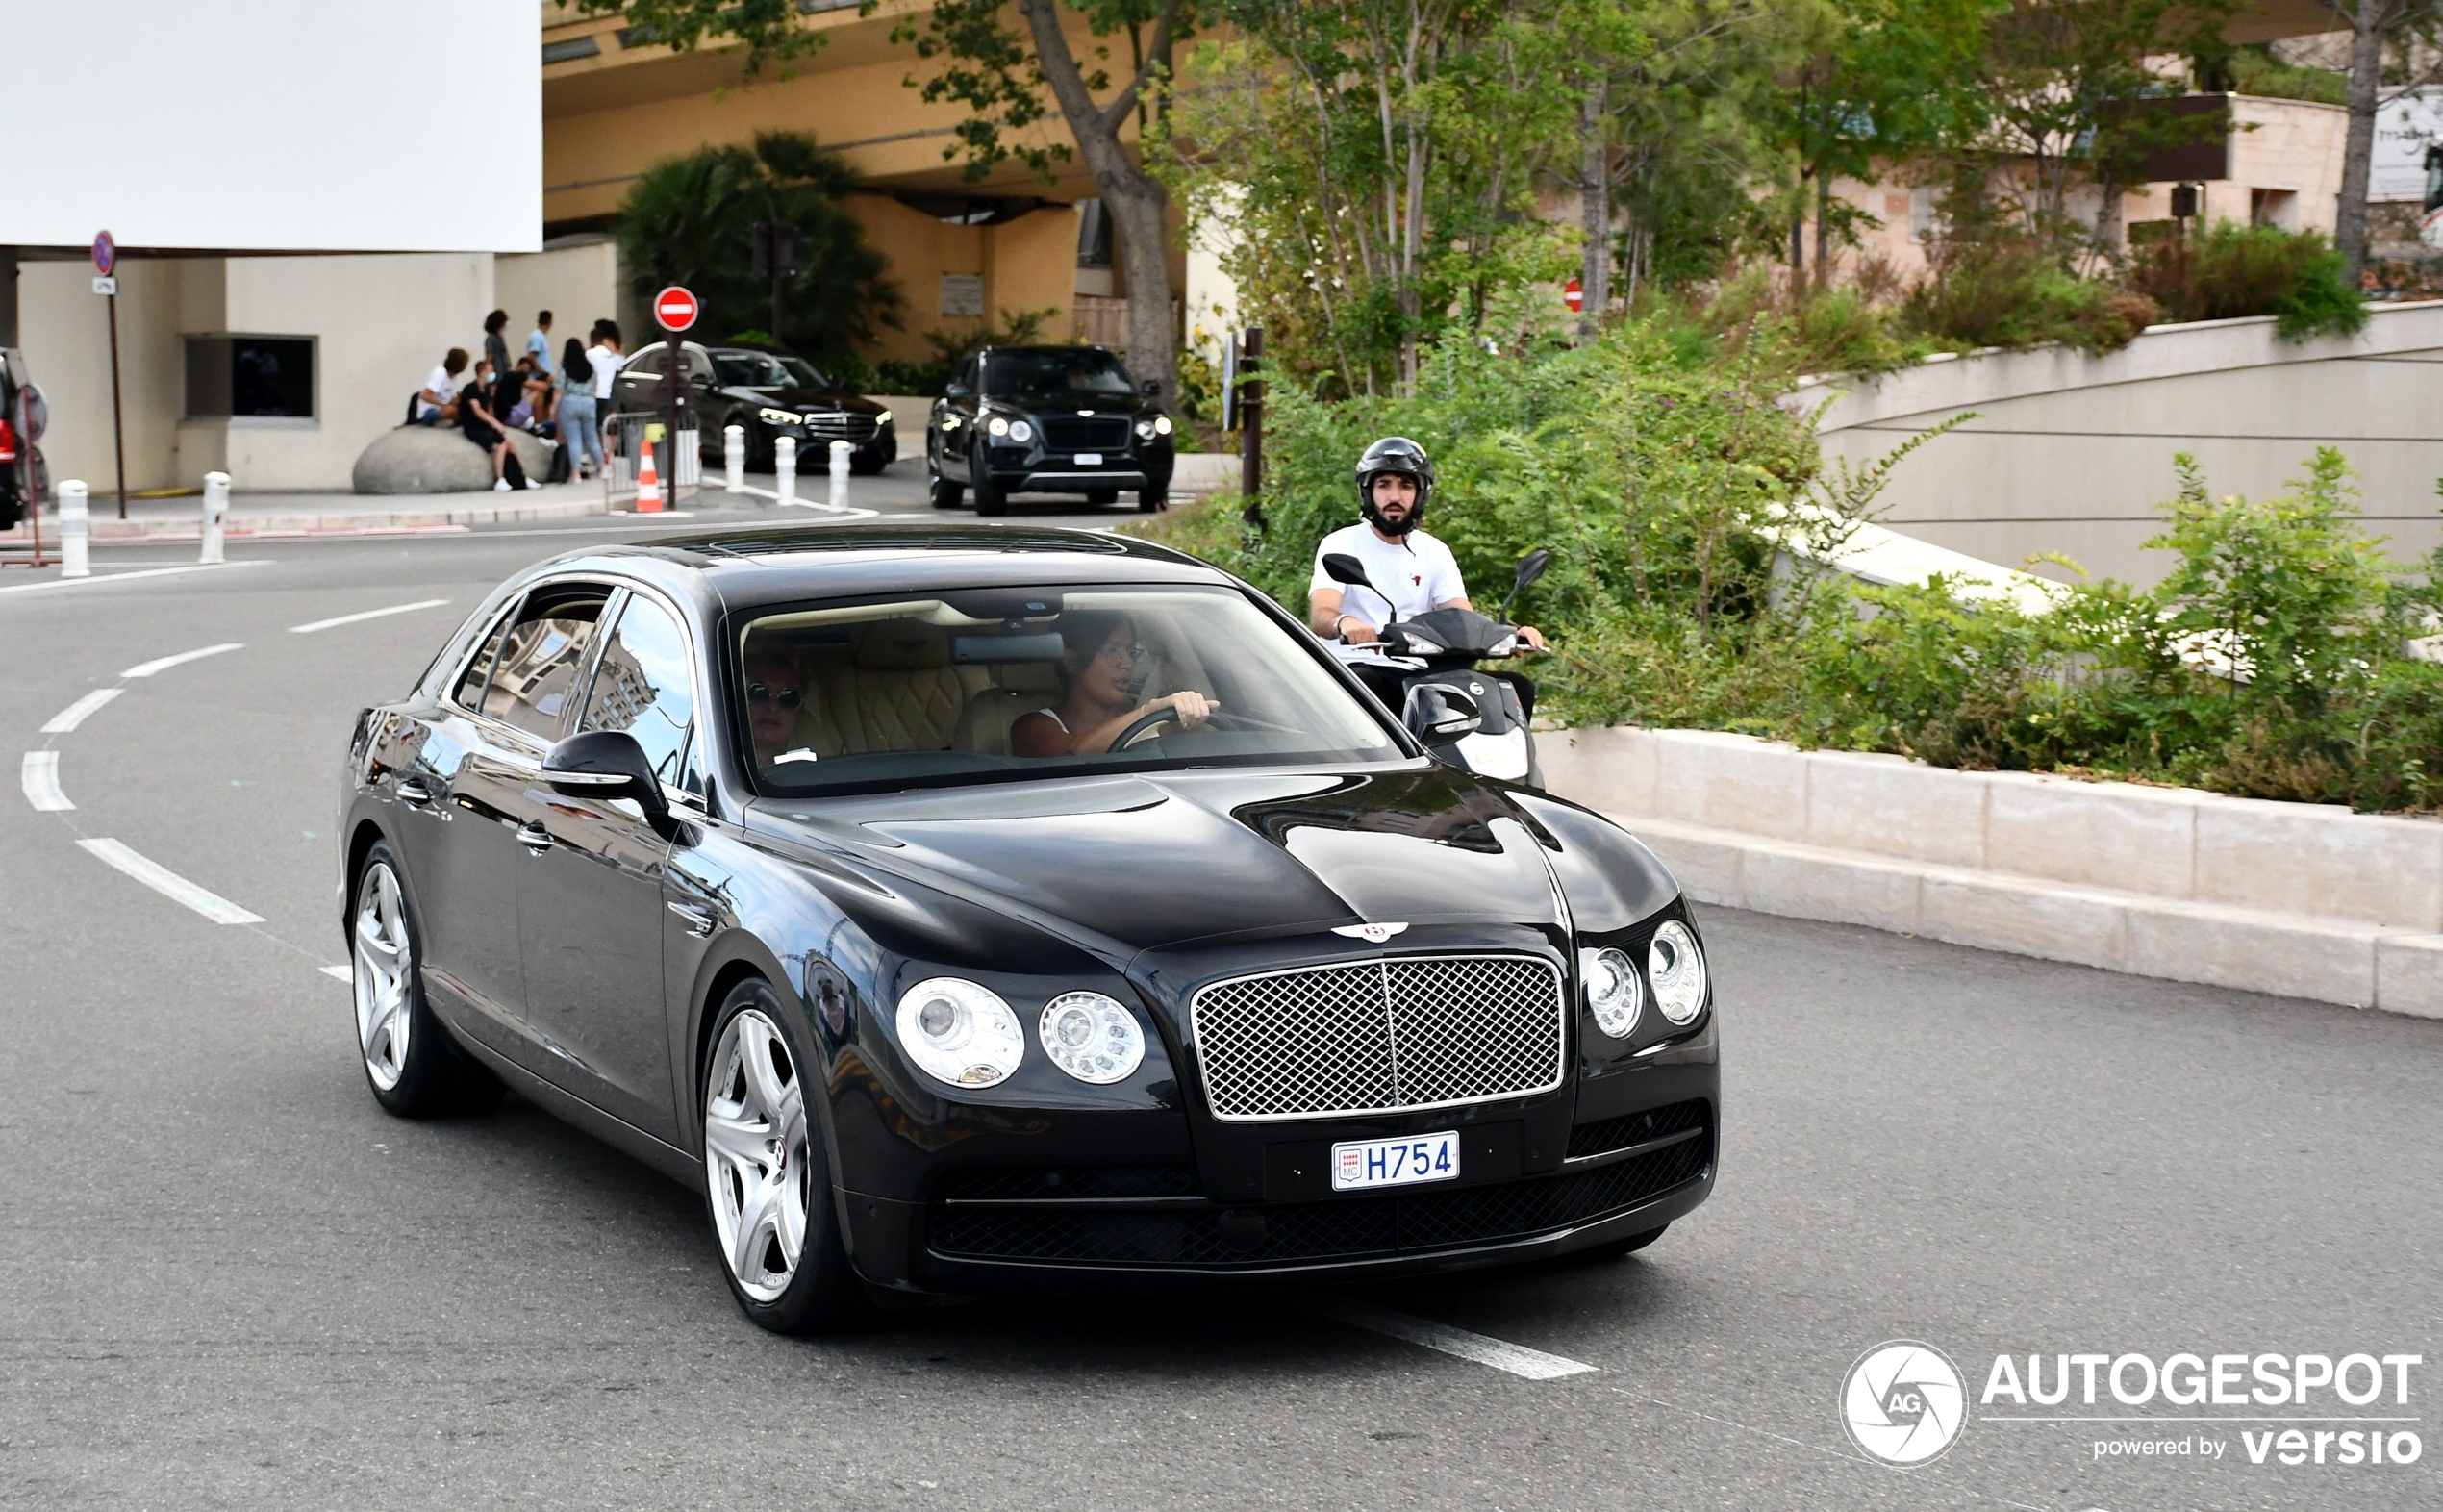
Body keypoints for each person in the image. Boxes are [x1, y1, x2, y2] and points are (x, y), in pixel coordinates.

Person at [1307, 435, 1546, 714]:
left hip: (1424, 673)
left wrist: (1512, 635)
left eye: (1406, 486)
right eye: (1384, 485)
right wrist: (1345, 624)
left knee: (1516, 686)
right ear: (1367, 491)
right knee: (1367, 683)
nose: (1394, 497)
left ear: (1420, 494)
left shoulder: (1434, 551)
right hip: (1362, 669)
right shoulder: (1341, 544)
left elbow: (1463, 619)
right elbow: (1321, 614)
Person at [1012, 612, 1217, 758]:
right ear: (1072, 662)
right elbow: (1073, 752)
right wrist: (1149, 711)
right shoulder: (1031, 726)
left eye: (1130, 651)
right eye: (1111, 650)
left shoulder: (1152, 725)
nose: (1127, 662)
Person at [458, 359, 540, 492]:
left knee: (510, 445)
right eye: (490, 371)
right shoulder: (471, 389)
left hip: (484, 426)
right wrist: (495, 423)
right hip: (473, 427)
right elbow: (477, 410)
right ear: (482, 372)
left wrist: (495, 422)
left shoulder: (486, 390)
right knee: (500, 446)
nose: (493, 373)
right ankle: (499, 479)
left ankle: (522, 477)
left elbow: (489, 409)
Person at [743, 650, 813, 768]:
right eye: (759, 693)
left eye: (789, 697)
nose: (773, 708)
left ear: (800, 711)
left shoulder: (814, 774)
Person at [557, 337, 601, 480]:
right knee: (592, 439)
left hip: (570, 403)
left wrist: (553, 407)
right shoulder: (590, 367)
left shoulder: (565, 367)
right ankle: (602, 468)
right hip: (588, 403)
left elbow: (559, 389)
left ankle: (576, 473)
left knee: (574, 440)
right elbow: (595, 389)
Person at [413, 349, 467, 425]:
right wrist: (444, 404)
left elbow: (453, 396)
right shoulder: (440, 373)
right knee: (452, 411)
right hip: (429, 410)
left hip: (444, 406)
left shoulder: (456, 377)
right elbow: (425, 395)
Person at [482, 310, 512, 379]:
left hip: (504, 370)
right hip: (497, 371)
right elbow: (489, 356)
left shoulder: (500, 337)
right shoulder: (491, 338)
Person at [525, 310, 554, 377]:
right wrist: (543, 373)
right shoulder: (537, 336)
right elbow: (531, 358)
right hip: (539, 377)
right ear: (550, 322)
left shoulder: (541, 336)